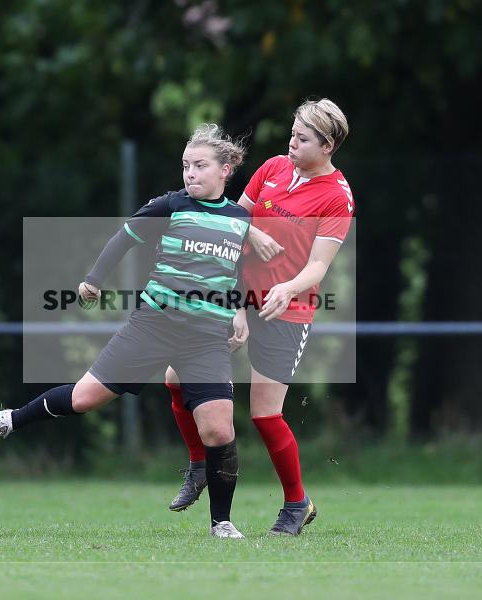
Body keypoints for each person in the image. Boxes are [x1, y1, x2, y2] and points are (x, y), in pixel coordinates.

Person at [0, 124, 250, 538]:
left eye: (200, 166)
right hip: (153, 325)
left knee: (219, 429)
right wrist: (93, 280)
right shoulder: (168, 206)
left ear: (227, 168)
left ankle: (221, 523)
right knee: (84, 399)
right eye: (185, 166)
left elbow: (235, 270)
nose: (190, 173)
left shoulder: (240, 219)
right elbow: (124, 238)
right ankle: (12, 419)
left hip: (206, 335)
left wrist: (241, 310)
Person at [164, 98, 355, 536]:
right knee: (175, 377)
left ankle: (296, 503)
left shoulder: (336, 197)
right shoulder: (272, 169)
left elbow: (317, 268)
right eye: (292, 133)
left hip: (288, 310)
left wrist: (287, 289)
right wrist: (236, 302)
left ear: (327, 146)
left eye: (302, 139)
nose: (291, 143)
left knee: (265, 413)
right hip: (235, 296)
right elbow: (234, 222)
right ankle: (198, 464)